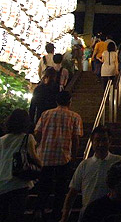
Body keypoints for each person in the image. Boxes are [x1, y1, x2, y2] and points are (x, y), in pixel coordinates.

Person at [34, 91, 82, 221]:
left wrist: (40, 144)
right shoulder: (74, 116)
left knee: (44, 186)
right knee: (61, 189)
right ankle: (57, 214)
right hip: (63, 157)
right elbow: (76, 138)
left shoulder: (45, 114)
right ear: (70, 101)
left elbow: (37, 133)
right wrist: (74, 156)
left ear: (56, 101)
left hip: (44, 156)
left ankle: (40, 211)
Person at [60, 126, 121, 222]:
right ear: (92, 142)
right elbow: (73, 191)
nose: (100, 144)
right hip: (89, 215)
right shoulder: (84, 165)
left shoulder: (118, 162)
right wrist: (64, 217)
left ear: (109, 141)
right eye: (97, 140)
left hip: (112, 214)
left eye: (104, 140)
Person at [0, 109, 42, 222]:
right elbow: (34, 157)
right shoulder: (28, 138)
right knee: (16, 215)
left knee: (3, 215)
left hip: (2, 182)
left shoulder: (2, 140)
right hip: (19, 182)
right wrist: (41, 165)